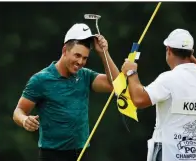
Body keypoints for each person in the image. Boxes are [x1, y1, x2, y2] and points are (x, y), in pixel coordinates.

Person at [13, 23, 119, 161]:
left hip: (82, 152)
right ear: (64, 50)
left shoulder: (85, 75)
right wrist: (25, 120)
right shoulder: (41, 80)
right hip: (52, 155)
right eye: (77, 55)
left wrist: (104, 53)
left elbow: (117, 85)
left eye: (85, 58)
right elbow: (18, 112)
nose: (80, 62)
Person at [121, 29, 196, 161]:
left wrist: (131, 72)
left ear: (168, 50)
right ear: (191, 53)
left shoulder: (169, 78)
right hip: (192, 156)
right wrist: (188, 52)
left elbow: (139, 99)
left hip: (166, 153)